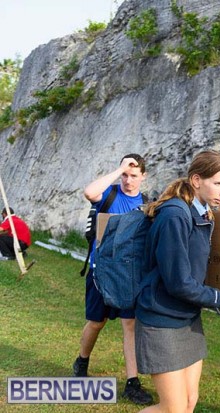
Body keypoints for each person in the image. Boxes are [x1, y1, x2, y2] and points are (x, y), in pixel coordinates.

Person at [135, 150, 220, 413]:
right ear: (197, 180)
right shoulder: (175, 215)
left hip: (187, 318)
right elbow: (179, 282)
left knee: (188, 403)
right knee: (173, 409)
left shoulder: (203, 212)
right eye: (218, 183)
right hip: (160, 319)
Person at [72, 153, 154, 405]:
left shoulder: (148, 204)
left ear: (143, 176)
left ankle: (132, 382)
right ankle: (82, 361)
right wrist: (118, 170)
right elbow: (89, 192)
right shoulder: (109, 195)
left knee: (130, 324)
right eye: (125, 175)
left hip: (129, 276)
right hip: (101, 272)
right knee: (97, 322)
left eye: (133, 175)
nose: (128, 180)